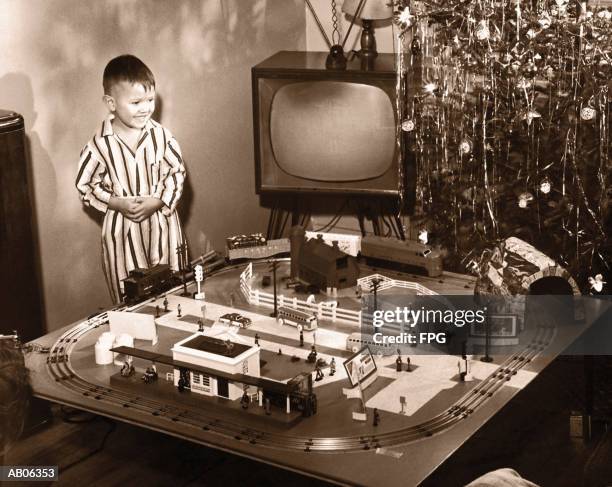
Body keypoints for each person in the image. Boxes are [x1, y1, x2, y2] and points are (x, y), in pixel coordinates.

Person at [76, 54, 186, 303]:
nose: (146, 108)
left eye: (150, 100)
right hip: (122, 232)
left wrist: (158, 201)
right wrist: (116, 203)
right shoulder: (99, 144)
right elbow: (86, 185)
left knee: (173, 289)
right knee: (130, 297)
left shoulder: (162, 136)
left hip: (163, 227)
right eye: (136, 102)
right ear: (111, 103)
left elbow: (176, 173)